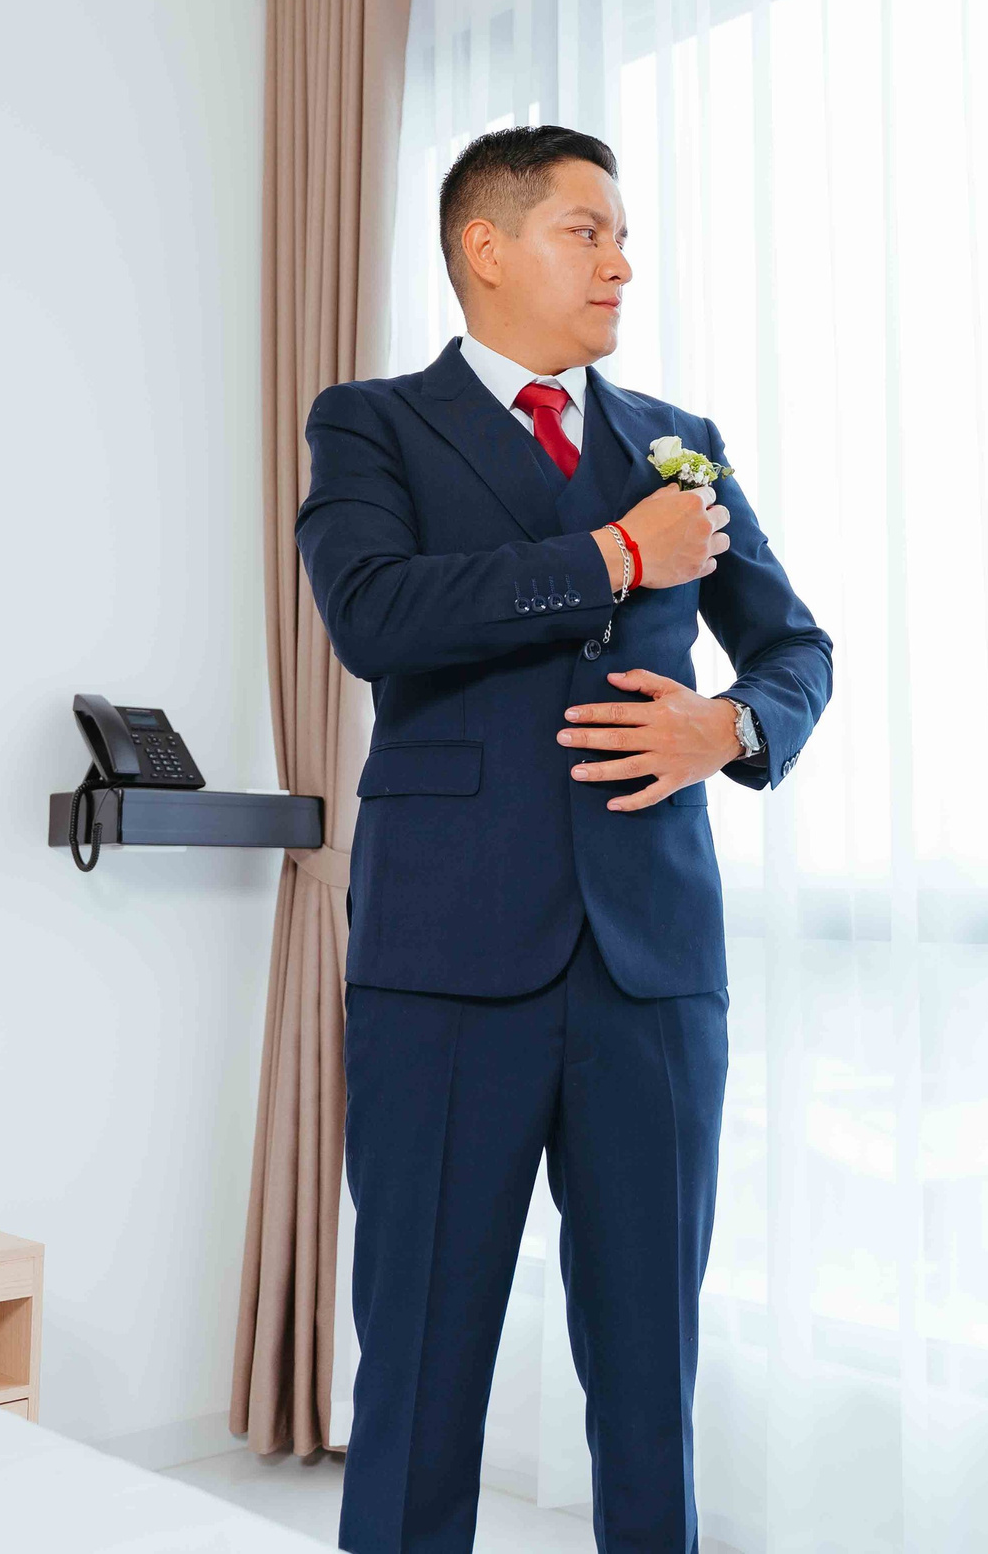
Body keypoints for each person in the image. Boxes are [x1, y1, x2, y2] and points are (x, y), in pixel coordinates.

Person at [295, 124, 833, 1554]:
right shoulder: (371, 423)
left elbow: (796, 650)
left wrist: (729, 729)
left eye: (622, 232)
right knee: (421, 1364)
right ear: (487, 244)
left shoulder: (682, 444)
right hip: (447, 965)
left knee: (651, 1374)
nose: (622, 261)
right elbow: (375, 617)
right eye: (586, 230)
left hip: (653, 968)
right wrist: (610, 557)